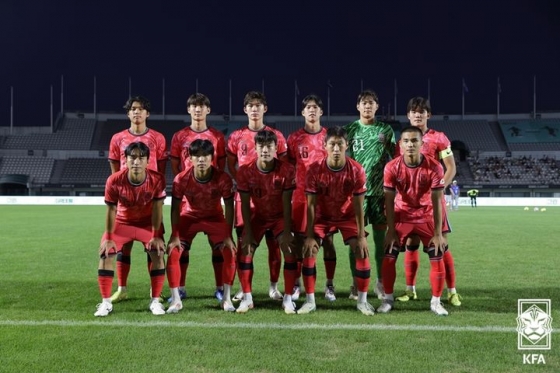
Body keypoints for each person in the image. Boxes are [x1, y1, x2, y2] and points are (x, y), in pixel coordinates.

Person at [394, 97, 462, 307]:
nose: (418, 114)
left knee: (442, 246)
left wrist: (439, 187)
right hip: (409, 205)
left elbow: (450, 167)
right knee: (411, 246)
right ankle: (410, 290)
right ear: (408, 115)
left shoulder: (439, 138)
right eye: (414, 111)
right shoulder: (403, 139)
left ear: (428, 115)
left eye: (422, 111)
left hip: (432, 204)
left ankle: (452, 292)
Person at [302, 126, 375, 316]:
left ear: (347, 145)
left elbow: (359, 206)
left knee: (361, 250)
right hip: (322, 217)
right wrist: (310, 235)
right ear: (324, 145)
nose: (336, 149)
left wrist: (361, 235)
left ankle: (362, 301)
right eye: (332, 144)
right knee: (309, 251)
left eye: (339, 144)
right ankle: (310, 301)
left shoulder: (357, 170)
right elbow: (310, 205)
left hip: (347, 217)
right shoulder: (314, 169)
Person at [377, 126, 449, 316]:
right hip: (402, 215)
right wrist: (391, 231)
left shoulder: (434, 166)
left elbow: (437, 200)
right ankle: (388, 299)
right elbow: (389, 201)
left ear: (421, 144)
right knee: (390, 253)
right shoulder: (392, 167)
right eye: (406, 141)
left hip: (426, 215)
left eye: (414, 141)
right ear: (400, 144)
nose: (410, 144)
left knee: (436, 252)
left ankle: (436, 302)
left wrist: (438, 233)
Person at [226, 91, 288, 302]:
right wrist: (241, 181)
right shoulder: (236, 136)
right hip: (246, 200)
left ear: (265, 109)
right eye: (250, 106)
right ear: (245, 110)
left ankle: (274, 287)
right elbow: (230, 161)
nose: (254, 109)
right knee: (244, 244)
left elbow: (283, 165)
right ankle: (244, 289)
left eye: (258, 105)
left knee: (275, 245)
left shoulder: (276, 136)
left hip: (272, 200)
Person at [94, 141, 167, 317]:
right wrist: (109, 237)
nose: (136, 162)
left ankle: (155, 301)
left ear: (148, 161)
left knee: (157, 253)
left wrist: (157, 235)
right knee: (106, 253)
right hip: (122, 223)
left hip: (146, 223)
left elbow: (158, 209)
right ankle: (105, 303)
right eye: (132, 157)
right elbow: (111, 209)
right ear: (125, 160)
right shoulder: (114, 180)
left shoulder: (157, 179)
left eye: (141, 158)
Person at [107, 96, 167, 303]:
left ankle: (154, 292)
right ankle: (122, 288)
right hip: (126, 203)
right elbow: (115, 170)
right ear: (128, 113)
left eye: (141, 109)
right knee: (123, 247)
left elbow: (161, 168)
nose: (137, 112)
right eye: (133, 109)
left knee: (154, 247)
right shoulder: (117, 138)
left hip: (150, 203)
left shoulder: (158, 138)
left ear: (147, 114)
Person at [169, 93, 227, 303]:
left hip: (212, 203)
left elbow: (220, 166)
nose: (197, 109)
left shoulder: (218, 137)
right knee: (181, 248)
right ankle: (181, 288)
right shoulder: (179, 137)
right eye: (193, 106)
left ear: (208, 110)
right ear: (188, 110)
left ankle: (220, 288)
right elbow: (176, 167)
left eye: (201, 106)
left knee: (219, 247)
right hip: (188, 204)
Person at [166, 139, 236, 313]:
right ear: (189, 158)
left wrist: (228, 235)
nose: (201, 160)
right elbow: (175, 208)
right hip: (189, 216)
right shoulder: (181, 179)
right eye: (197, 156)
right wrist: (174, 235)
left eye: (205, 156)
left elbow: (229, 206)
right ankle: (176, 298)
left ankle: (225, 297)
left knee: (229, 251)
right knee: (174, 251)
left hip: (214, 217)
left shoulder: (223, 178)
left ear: (212, 157)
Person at [235, 130, 296, 313]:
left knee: (290, 249)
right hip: (258, 216)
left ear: (276, 148)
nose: (265, 150)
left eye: (269, 146)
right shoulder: (245, 172)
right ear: (256, 147)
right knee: (245, 249)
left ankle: (287, 299)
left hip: (279, 217)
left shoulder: (286, 170)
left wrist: (286, 231)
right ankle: (247, 297)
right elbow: (245, 205)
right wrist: (248, 232)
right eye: (261, 146)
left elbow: (287, 204)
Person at [345, 90, 396, 300]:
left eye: (371, 103)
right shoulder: (350, 129)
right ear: (358, 106)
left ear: (377, 107)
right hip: (357, 195)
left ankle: (380, 282)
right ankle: (356, 283)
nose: (367, 106)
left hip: (379, 194)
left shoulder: (385, 129)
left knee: (380, 240)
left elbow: (395, 159)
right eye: (364, 103)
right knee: (355, 240)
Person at [286, 94, 337, 303]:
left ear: (321, 112)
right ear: (303, 112)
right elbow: (289, 167)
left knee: (328, 242)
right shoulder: (294, 139)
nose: (312, 111)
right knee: (300, 243)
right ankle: (298, 284)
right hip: (300, 197)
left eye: (316, 107)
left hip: (326, 199)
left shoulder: (329, 137)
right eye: (308, 107)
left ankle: (329, 284)